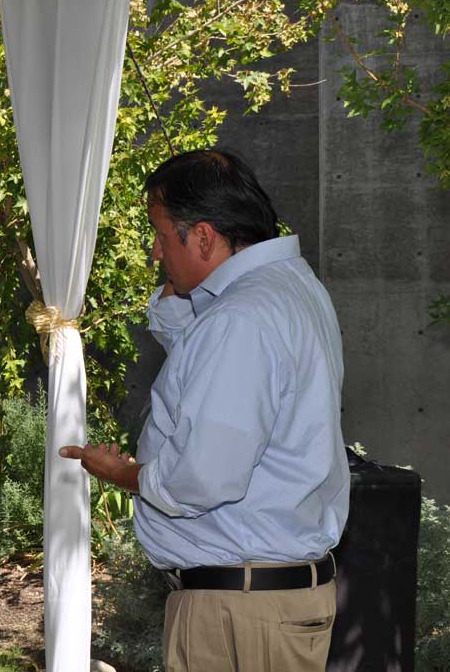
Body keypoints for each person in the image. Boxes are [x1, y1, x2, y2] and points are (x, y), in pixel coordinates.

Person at [60, 149, 350, 671]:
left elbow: (203, 478)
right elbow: (206, 367)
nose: (154, 252)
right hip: (261, 597)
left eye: (161, 235)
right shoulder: (288, 289)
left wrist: (122, 473)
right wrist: (183, 292)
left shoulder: (241, 318)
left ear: (204, 237)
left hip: (240, 610)